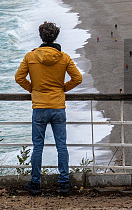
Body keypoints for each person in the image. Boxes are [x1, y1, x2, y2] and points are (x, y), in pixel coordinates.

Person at [15, 21, 82, 196]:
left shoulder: (31, 57)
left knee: (38, 146)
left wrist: (33, 89)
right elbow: (78, 78)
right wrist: (62, 89)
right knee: (61, 145)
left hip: (39, 106)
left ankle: (35, 183)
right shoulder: (64, 57)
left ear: (41, 36)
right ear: (56, 36)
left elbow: (19, 77)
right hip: (58, 106)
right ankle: (64, 183)